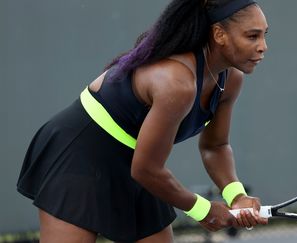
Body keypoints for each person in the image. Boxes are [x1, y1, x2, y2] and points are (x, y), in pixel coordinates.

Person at [17, 0, 269, 242]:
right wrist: (202, 209)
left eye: (264, 35)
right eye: (252, 36)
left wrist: (236, 196)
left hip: (137, 163)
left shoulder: (230, 80)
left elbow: (215, 147)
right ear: (218, 34)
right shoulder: (177, 82)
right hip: (80, 154)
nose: (263, 46)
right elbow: (146, 169)